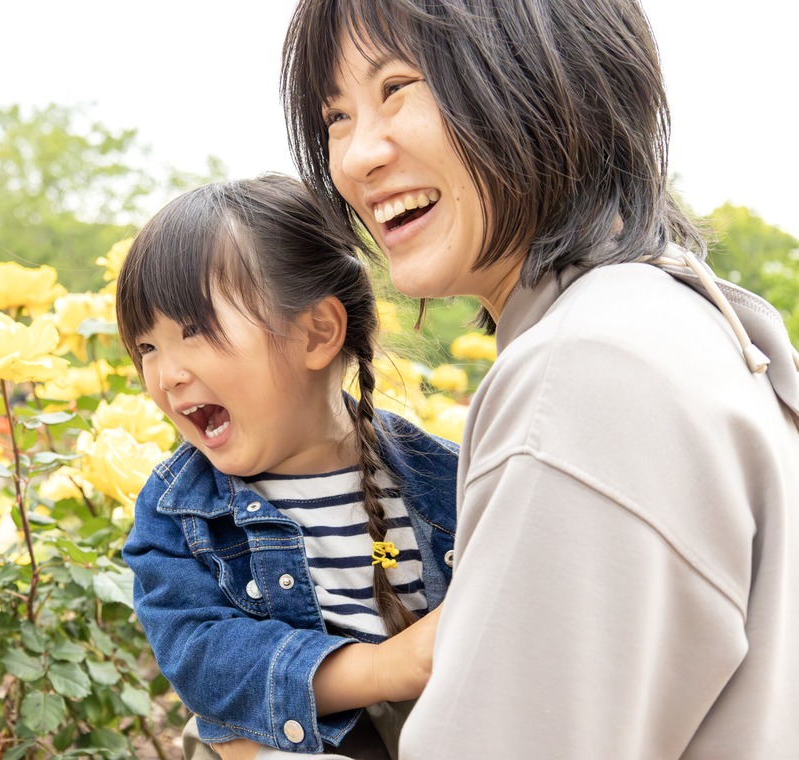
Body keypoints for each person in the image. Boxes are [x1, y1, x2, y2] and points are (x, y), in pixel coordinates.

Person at [275, 0, 799, 757]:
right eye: (336, 116)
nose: (357, 157)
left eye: (396, 88)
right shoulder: (683, 322)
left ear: (547, 76)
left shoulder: (588, 373)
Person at [117, 175, 460, 758]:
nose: (166, 375)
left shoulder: (440, 477)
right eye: (147, 347)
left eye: (195, 332)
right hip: (293, 736)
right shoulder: (181, 509)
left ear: (316, 332)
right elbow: (202, 658)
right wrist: (384, 668)